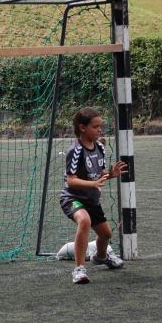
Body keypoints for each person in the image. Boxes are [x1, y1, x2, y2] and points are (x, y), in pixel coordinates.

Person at [59, 107, 128, 284]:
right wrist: (93, 184)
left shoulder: (100, 148)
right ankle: (79, 269)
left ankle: (101, 257)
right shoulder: (75, 151)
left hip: (91, 200)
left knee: (106, 234)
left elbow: (98, 174)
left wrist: (110, 174)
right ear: (82, 128)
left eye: (100, 126)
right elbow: (71, 180)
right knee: (84, 221)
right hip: (72, 198)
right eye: (95, 127)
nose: (100, 130)